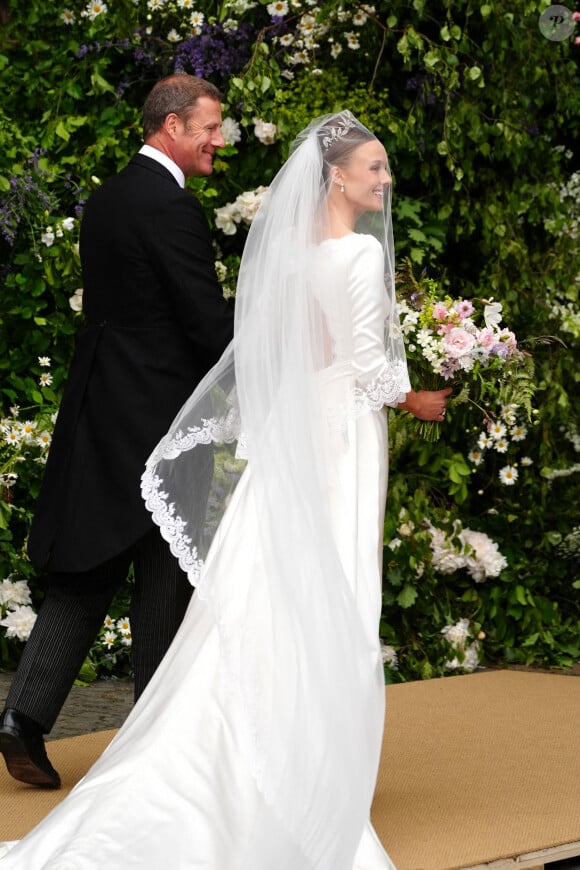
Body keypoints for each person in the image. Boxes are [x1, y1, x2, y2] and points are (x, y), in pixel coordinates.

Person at [0, 111, 450, 868]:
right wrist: (421, 394)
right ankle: (297, 765)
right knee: (329, 590)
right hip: (332, 438)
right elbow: (362, 367)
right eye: (375, 167)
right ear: (337, 175)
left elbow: (290, 348)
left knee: (246, 591)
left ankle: (176, 733)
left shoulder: (273, 248)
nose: (386, 180)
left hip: (280, 435)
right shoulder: (355, 256)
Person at [0, 74, 234, 790]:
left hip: (99, 412)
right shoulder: (171, 209)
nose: (218, 140)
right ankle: (154, 744)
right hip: (159, 421)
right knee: (163, 578)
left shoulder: (105, 200)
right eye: (209, 127)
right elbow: (203, 323)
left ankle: (22, 719)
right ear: (170, 125)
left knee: (88, 573)